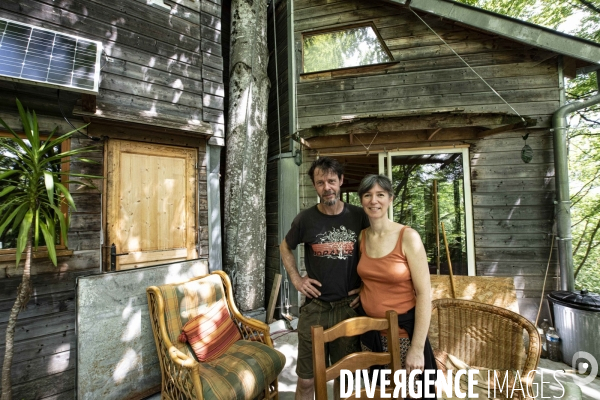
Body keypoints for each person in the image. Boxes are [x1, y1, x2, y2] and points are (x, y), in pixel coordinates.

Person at [280, 157, 369, 400]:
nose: (326, 187)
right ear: (315, 186)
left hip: (347, 308)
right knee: (307, 380)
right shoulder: (305, 219)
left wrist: (365, 288)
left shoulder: (359, 217)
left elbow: (376, 253)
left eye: (331, 181)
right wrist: (297, 280)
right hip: (315, 308)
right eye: (320, 183)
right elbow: (285, 247)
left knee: (344, 379)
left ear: (340, 181)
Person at [356, 174, 437, 398]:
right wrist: (359, 293)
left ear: (390, 199)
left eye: (380, 194)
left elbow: (423, 294)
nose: (374, 200)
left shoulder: (408, 237)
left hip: (402, 336)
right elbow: (369, 277)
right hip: (371, 336)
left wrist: (417, 348)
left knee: (409, 394)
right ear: (362, 201)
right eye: (368, 195)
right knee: (380, 394)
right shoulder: (362, 237)